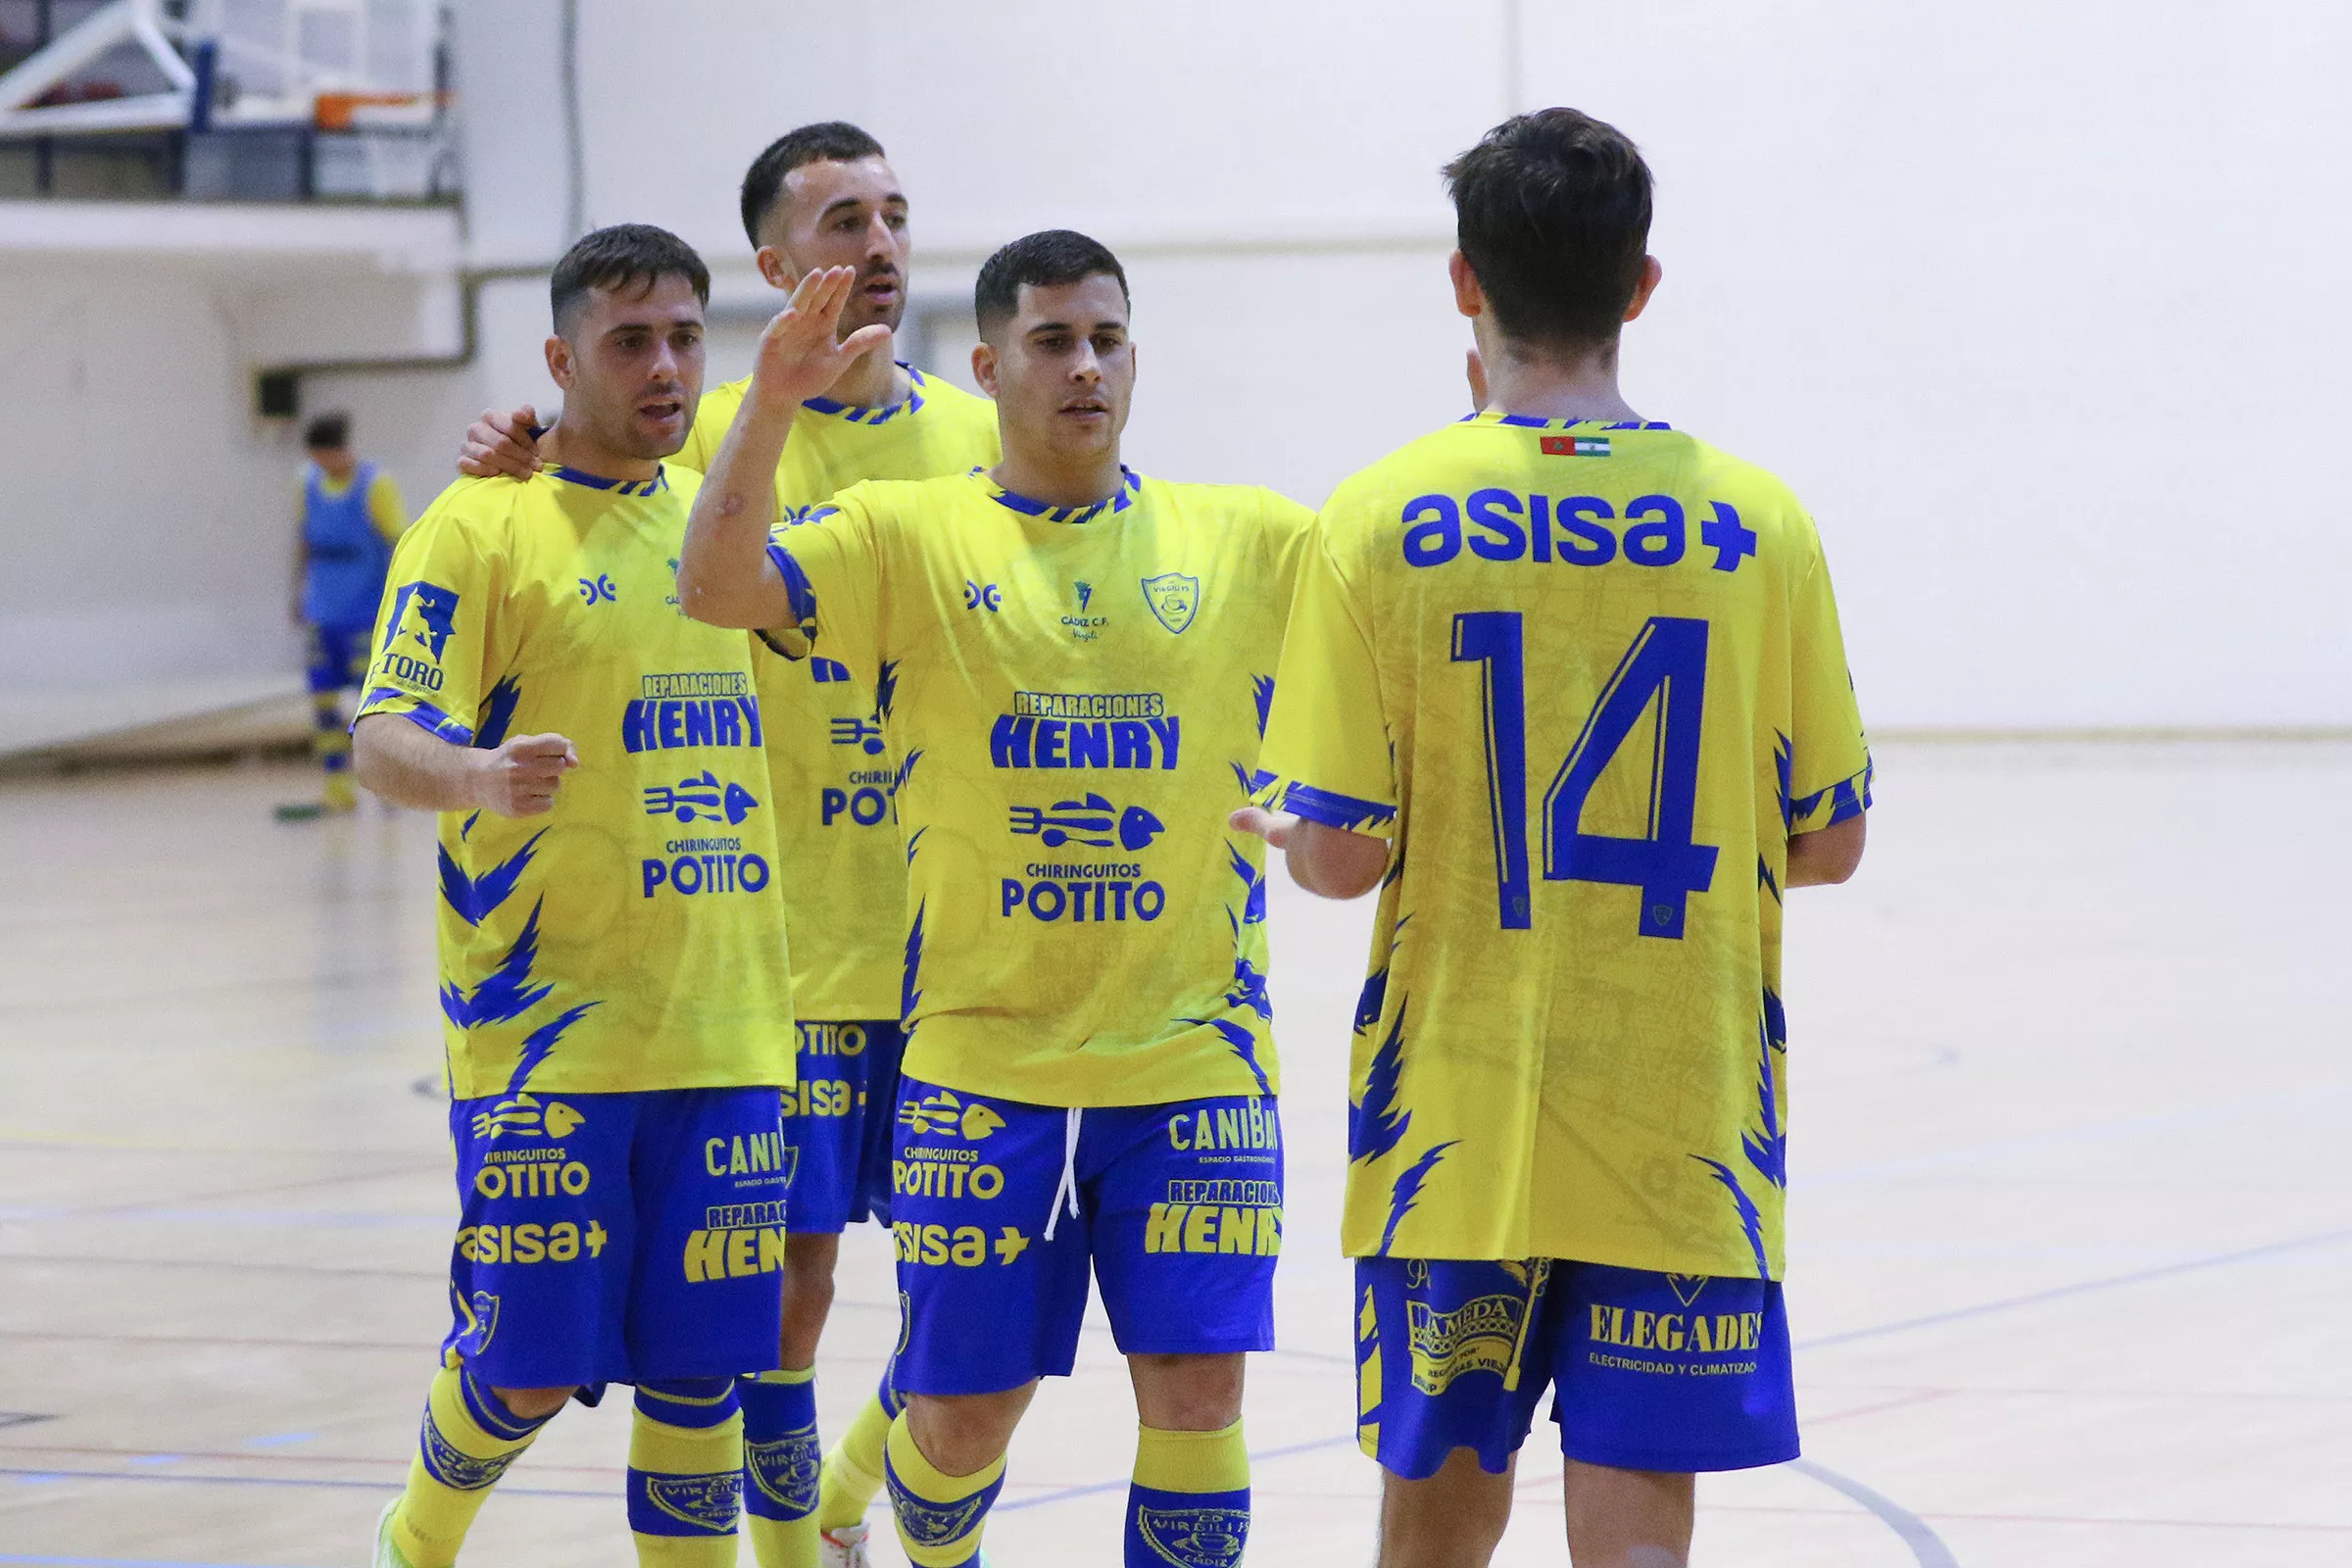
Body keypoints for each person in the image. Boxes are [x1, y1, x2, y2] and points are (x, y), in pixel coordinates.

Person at [1239, 109, 1873, 1568]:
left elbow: (1340, 860)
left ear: (1465, 282)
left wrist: (1285, 832)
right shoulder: (1761, 524)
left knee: (1436, 1530)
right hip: (1686, 1116)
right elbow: (1829, 842)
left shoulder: (1379, 515)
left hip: (1453, 1125)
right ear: (1641, 287)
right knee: (1640, 1540)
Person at [677, 232, 1311, 1568]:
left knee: (1197, 1397)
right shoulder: (907, 533)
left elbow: (1409, 637)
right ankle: (867, 1493)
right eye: (1053, 341)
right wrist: (779, 401)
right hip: (981, 1057)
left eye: (1108, 339)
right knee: (963, 1418)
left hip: (1195, 1047)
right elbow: (719, 586)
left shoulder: (1249, 536)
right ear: (988, 366)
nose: (1087, 366)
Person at [456, 120, 1002, 1568]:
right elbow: (557, 503)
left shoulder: (978, 435)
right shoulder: (696, 432)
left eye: (894, 214)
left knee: (973, 1284)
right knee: (784, 1287)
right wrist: (512, 460)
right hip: (788, 948)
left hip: (965, 940)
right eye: (842, 225)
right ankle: (785, 1548)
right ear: (776, 264)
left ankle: (838, 1502)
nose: (879, 246)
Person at [353, 223, 799, 1568]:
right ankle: (415, 1542)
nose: (665, 367)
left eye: (683, 337)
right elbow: (382, 738)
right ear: (560, 357)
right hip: (548, 1036)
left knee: (703, 1376)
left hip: (727, 1026)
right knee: (526, 1373)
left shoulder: (732, 521)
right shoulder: (481, 522)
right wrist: (479, 774)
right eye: (629, 341)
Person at [279, 411, 406, 820]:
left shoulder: (375, 485)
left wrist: (401, 606)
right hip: (323, 615)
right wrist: (297, 593)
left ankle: (389, 786)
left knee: (372, 708)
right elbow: (303, 541)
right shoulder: (307, 483)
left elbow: (399, 546)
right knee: (324, 703)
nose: (320, 463)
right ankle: (337, 787)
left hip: (365, 616)